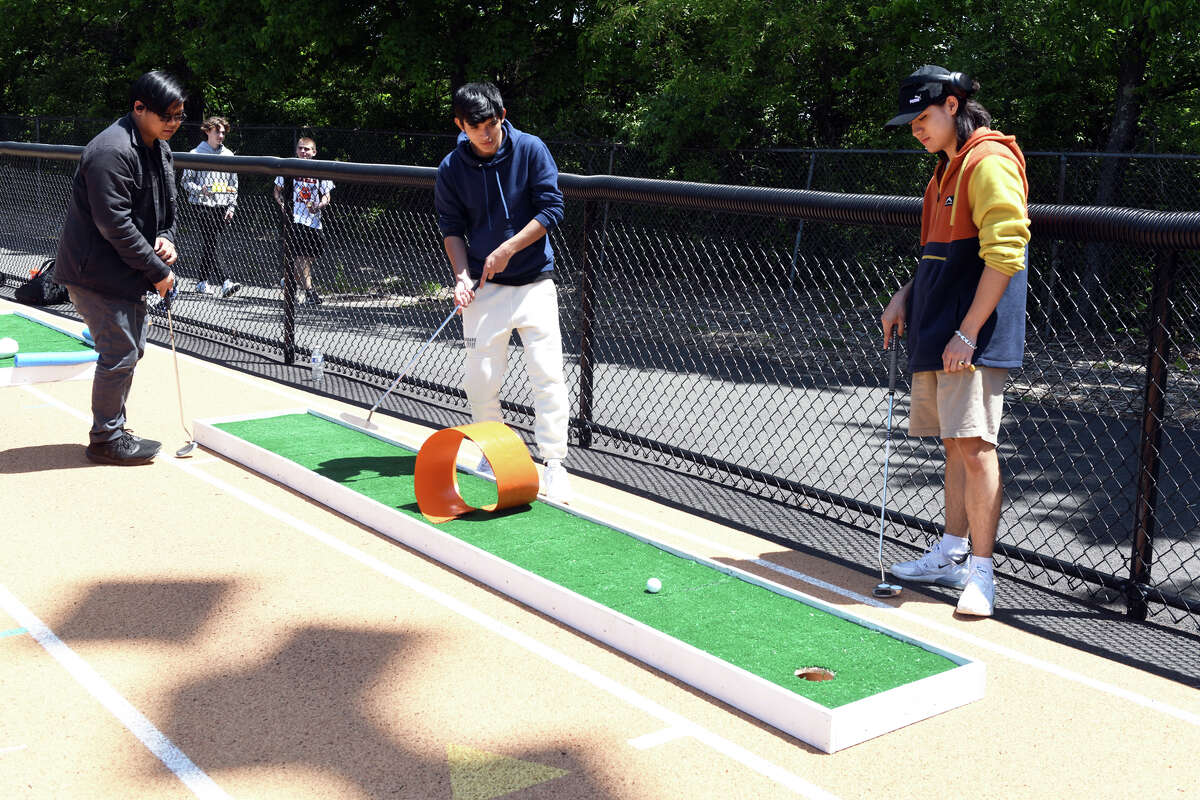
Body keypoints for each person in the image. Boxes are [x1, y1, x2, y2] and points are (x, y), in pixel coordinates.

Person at [879, 65, 1031, 617]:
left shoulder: (988, 162)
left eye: (923, 117)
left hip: (973, 335)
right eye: (911, 122)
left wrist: (969, 332)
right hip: (943, 328)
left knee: (975, 445)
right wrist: (906, 294)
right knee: (953, 442)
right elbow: (938, 256)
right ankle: (951, 552)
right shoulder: (944, 171)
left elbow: (1007, 253)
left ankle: (984, 575)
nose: (916, 129)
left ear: (951, 105)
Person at [434, 82, 572, 503]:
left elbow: (552, 208)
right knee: (482, 381)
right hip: (484, 288)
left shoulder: (531, 149)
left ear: (502, 115)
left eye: (492, 126)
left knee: (547, 373)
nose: (487, 135)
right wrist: (461, 277)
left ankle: (554, 466)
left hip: (535, 282)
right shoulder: (451, 167)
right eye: (477, 129)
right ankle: (492, 453)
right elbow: (451, 229)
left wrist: (510, 247)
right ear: (460, 125)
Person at [54, 71, 185, 465]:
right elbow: (114, 225)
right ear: (138, 108)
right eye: (166, 115)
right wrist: (158, 272)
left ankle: (112, 430)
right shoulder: (110, 151)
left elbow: (167, 209)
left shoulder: (159, 147)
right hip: (94, 271)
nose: (173, 123)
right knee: (120, 352)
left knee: (131, 349)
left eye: (179, 115)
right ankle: (106, 440)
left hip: (127, 269)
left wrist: (166, 237)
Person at [181, 116, 240, 298]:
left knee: (210, 242)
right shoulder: (195, 154)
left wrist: (231, 207)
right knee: (213, 239)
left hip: (222, 206)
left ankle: (202, 282)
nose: (221, 135)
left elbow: (234, 185)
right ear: (207, 131)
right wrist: (201, 190)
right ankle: (226, 280)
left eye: (223, 132)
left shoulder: (229, 155)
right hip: (202, 205)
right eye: (217, 131)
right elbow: (185, 182)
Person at [274, 137, 333, 305]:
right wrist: (283, 205)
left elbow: (327, 196)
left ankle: (290, 279)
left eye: (307, 149)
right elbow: (277, 192)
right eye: (300, 148)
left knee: (313, 254)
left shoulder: (321, 170)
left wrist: (319, 205)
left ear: (314, 152)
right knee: (300, 257)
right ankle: (310, 292)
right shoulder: (289, 168)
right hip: (295, 219)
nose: (303, 152)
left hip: (314, 221)